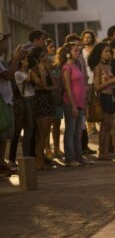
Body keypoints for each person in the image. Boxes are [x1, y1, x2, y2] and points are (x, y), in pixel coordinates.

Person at [57, 43, 90, 167]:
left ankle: (79, 157)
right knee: (70, 131)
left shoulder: (76, 65)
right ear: (68, 52)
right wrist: (73, 105)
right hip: (71, 103)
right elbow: (67, 88)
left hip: (80, 102)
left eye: (79, 51)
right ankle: (70, 159)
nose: (78, 52)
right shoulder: (66, 68)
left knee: (78, 132)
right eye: (75, 51)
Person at [88, 42, 115, 160]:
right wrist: (111, 82)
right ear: (99, 54)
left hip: (111, 96)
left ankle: (106, 151)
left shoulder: (109, 66)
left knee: (109, 125)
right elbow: (97, 87)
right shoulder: (98, 68)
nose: (108, 54)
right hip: (103, 97)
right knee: (105, 126)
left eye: (109, 51)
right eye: (106, 52)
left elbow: (110, 84)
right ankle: (102, 152)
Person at [0, 33, 27, 175]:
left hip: (6, 102)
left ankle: (2, 163)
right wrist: (16, 58)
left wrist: (16, 59)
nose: (7, 44)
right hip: (2, 103)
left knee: (4, 137)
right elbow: (8, 75)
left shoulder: (1, 60)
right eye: (4, 42)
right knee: (2, 135)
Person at [28, 46, 57, 169]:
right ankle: (39, 162)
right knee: (41, 134)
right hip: (40, 102)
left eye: (45, 55)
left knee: (46, 133)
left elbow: (54, 85)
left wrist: (47, 70)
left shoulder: (46, 68)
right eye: (41, 57)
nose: (44, 58)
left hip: (49, 100)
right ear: (35, 59)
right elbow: (43, 85)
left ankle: (42, 160)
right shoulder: (33, 71)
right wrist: (41, 71)